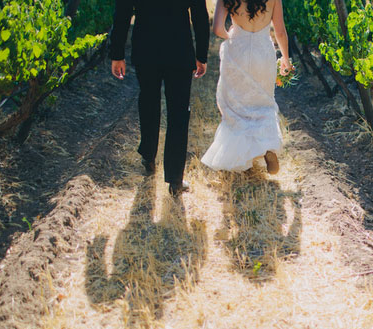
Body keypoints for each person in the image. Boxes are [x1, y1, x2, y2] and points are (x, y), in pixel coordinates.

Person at [109, 0, 210, 196]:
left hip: (145, 47)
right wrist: (201, 54)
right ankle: (175, 179)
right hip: (178, 49)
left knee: (148, 100)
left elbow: (122, 11)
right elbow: (199, 13)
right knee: (179, 112)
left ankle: (148, 155)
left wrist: (117, 53)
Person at [200, 0, 293, 174]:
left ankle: (243, 157)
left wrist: (233, 37)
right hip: (263, 53)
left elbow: (218, 28)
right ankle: (267, 148)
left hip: (238, 52)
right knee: (263, 102)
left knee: (237, 106)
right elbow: (279, 31)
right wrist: (286, 60)